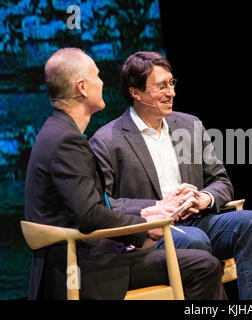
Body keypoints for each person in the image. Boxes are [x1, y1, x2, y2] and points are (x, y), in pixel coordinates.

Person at [24, 48, 227, 300]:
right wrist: (144, 227)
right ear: (82, 87)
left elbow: (96, 206)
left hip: (87, 256)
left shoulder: (57, 131)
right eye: (97, 76)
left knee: (202, 259)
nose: (102, 81)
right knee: (203, 266)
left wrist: (148, 212)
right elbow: (90, 216)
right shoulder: (67, 140)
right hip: (85, 267)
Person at [89, 51, 252, 300]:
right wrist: (159, 206)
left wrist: (204, 198)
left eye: (172, 83)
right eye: (161, 86)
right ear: (136, 92)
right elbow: (107, 203)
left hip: (198, 219)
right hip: (153, 231)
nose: (171, 93)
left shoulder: (189, 125)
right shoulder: (108, 139)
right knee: (195, 240)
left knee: (251, 221)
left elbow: (221, 181)